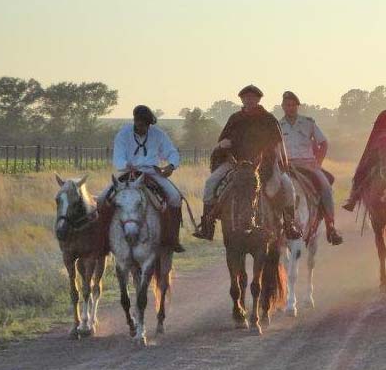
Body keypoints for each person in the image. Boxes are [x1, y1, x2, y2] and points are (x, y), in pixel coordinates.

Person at [193, 85, 300, 241]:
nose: (249, 100)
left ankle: (289, 225)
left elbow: (277, 144)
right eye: (246, 98)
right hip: (236, 163)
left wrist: (279, 162)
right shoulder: (235, 119)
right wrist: (223, 144)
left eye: (252, 98)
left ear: (258, 99)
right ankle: (208, 225)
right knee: (210, 183)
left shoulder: (268, 119)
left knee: (288, 187)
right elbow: (223, 140)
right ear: (242, 99)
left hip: (265, 164)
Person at [99, 105, 185, 252]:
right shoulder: (123, 134)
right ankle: (103, 242)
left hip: (152, 172)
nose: (144, 128)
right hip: (128, 173)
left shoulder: (158, 134)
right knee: (102, 199)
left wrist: (170, 167)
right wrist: (127, 165)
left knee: (175, 197)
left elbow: (171, 152)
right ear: (135, 120)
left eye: (147, 125)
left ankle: (173, 238)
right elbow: (118, 158)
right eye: (141, 124)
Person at [280, 91, 344, 246]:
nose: (291, 108)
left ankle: (331, 226)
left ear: (297, 106)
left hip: (308, 164)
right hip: (287, 166)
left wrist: (318, 162)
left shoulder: (308, 123)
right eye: (287, 105)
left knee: (326, 187)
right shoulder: (278, 126)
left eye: (293, 105)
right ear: (283, 107)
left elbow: (323, 142)